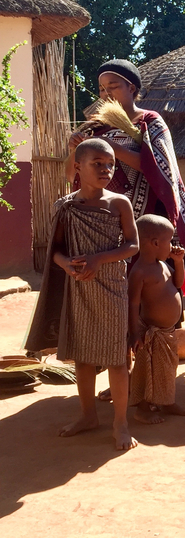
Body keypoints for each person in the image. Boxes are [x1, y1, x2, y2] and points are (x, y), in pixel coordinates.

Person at [25, 138, 139, 450]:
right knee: (83, 355)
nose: (106, 169)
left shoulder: (119, 204)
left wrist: (98, 259)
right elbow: (56, 252)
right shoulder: (65, 207)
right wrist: (70, 266)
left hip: (112, 286)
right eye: (97, 164)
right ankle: (88, 415)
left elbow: (132, 245)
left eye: (110, 164)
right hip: (80, 288)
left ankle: (120, 423)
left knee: (117, 357)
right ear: (78, 166)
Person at [65, 58, 185, 276]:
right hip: (104, 217)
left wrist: (114, 149)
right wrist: (77, 148)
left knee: (147, 287)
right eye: (102, 89)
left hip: (145, 219)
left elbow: (160, 169)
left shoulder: (149, 121)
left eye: (113, 86)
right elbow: (70, 174)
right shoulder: (96, 126)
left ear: (131, 88)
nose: (106, 94)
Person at [128, 215, 185, 423]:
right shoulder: (139, 272)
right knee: (149, 371)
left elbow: (179, 283)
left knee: (167, 369)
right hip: (150, 333)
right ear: (155, 243)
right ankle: (143, 410)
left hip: (167, 332)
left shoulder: (162, 265)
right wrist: (134, 333)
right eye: (169, 241)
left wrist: (179, 262)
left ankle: (166, 401)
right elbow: (133, 304)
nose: (172, 245)